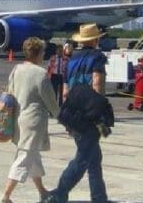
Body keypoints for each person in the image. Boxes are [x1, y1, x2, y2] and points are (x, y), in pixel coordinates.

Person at [47, 24, 110, 203]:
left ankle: (99, 197)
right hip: (89, 114)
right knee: (83, 157)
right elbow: (97, 84)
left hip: (73, 113)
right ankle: (60, 191)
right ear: (95, 39)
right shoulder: (97, 58)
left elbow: (65, 91)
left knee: (94, 157)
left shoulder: (71, 59)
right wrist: (100, 112)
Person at [1, 37, 59, 203]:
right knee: (24, 157)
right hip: (34, 122)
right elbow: (51, 101)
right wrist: (61, 116)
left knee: (32, 156)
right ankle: (6, 196)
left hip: (18, 118)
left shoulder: (17, 69)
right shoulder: (41, 74)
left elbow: (10, 92)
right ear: (39, 53)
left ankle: (42, 192)